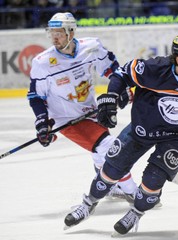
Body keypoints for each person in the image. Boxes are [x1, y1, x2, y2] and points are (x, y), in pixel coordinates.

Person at [63, 33, 178, 236]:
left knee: (153, 180)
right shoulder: (154, 69)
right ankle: (89, 202)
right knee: (111, 170)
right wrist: (111, 96)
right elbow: (122, 73)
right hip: (143, 130)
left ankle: (136, 212)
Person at [27, 12, 138, 211]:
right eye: (52, 33)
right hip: (66, 119)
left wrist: (121, 89)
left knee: (100, 151)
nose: (54, 37)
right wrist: (42, 122)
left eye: (59, 32)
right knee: (110, 146)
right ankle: (133, 191)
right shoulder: (43, 62)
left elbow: (112, 70)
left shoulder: (91, 46)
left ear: (71, 31)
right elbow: (36, 96)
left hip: (91, 110)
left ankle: (110, 187)